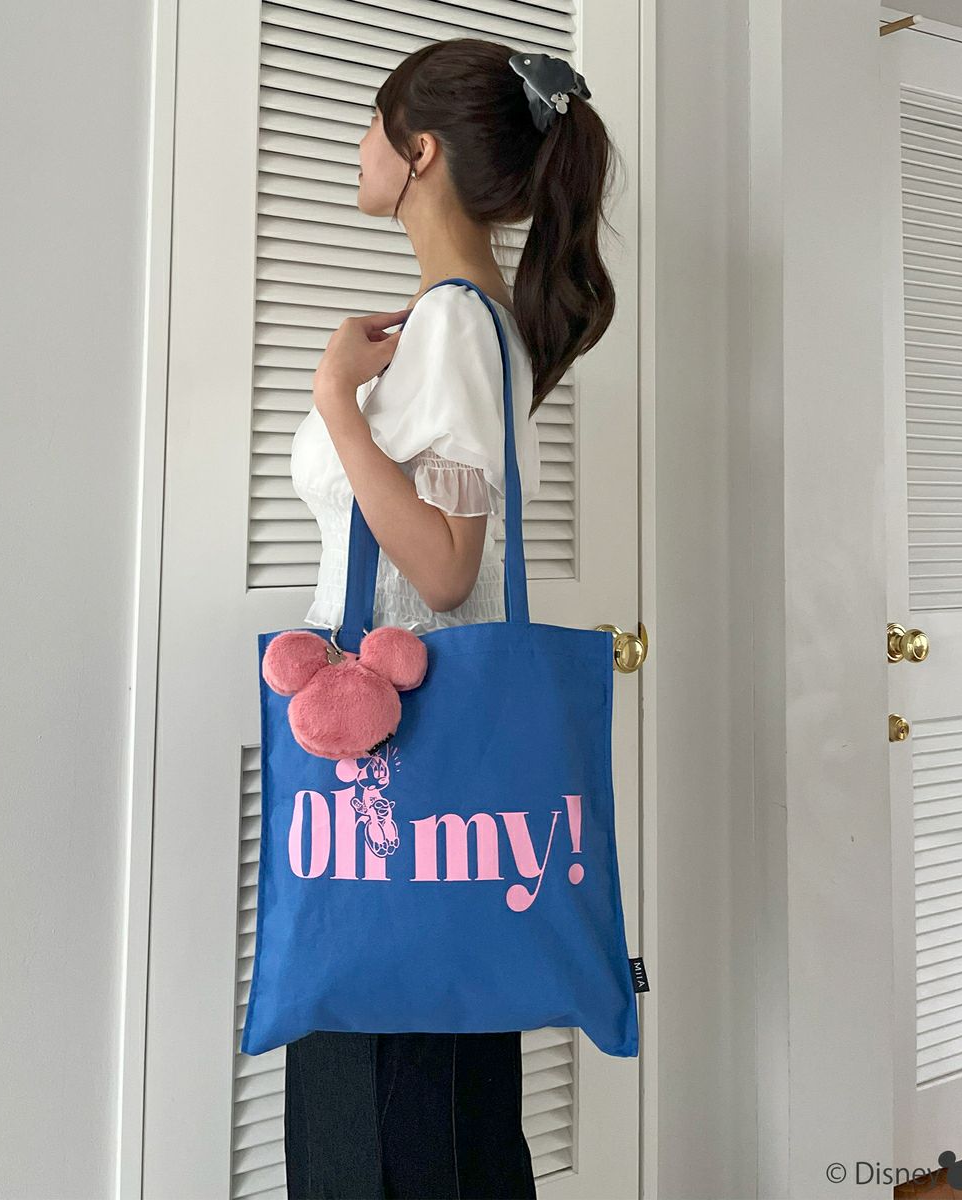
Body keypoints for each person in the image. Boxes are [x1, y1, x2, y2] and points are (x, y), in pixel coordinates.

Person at [284, 34, 620, 1200]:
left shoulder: (455, 328)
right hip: (411, 767)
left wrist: (337, 403)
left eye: (373, 124)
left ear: (419, 151)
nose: (357, 146)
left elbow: (439, 567)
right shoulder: (469, 324)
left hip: (394, 772)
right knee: (429, 1115)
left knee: (383, 1122)